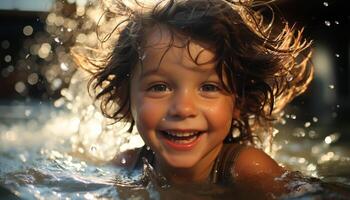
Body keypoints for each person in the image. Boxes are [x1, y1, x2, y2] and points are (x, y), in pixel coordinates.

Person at [71, 0, 313, 198]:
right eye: (159, 87)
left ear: (238, 101)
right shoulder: (128, 164)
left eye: (208, 87)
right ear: (126, 99)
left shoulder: (246, 168)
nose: (183, 109)